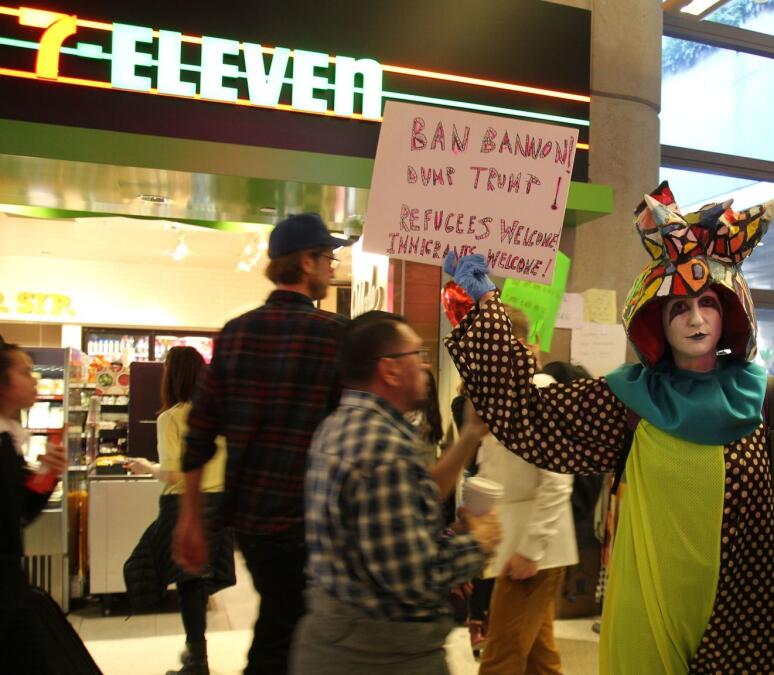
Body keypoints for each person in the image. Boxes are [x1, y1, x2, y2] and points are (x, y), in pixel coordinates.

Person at [443, 180, 774, 673]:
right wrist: (482, 305)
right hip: (650, 609)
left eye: (707, 303)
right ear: (655, 322)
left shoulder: (765, 399)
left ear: (729, 311)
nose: (696, 318)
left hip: (745, 610)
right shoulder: (629, 402)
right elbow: (525, 413)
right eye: (678, 307)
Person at [174, 212, 349, 674]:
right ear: (307, 262)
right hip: (313, 520)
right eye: (328, 257)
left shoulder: (236, 332)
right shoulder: (333, 336)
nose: (333, 267)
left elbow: (200, 431)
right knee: (288, 636)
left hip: (251, 522)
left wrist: (189, 515)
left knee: (284, 622)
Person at [292, 311, 499, 674]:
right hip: (379, 654)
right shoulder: (382, 448)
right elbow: (414, 575)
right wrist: (477, 543)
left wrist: (469, 435)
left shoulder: (342, 425)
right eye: (416, 355)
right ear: (388, 369)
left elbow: (395, 518)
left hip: (339, 635)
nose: (424, 366)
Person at [476, 305, 577, 675]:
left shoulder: (540, 394)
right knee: (538, 656)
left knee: (501, 656)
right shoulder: (500, 397)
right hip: (513, 544)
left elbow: (557, 480)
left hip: (534, 552)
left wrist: (531, 549)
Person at [125, 346, 235, 675]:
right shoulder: (221, 415)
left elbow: (177, 474)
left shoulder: (170, 417)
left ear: (170, 376)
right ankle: (196, 655)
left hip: (184, 504)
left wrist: (146, 466)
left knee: (179, 580)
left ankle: (197, 659)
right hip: (218, 504)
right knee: (198, 581)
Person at [0, 341, 69, 674]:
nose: (36, 378)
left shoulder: (8, 440)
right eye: (25, 371)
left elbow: (20, 512)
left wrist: (47, 473)